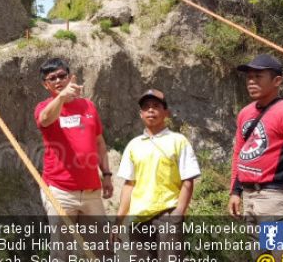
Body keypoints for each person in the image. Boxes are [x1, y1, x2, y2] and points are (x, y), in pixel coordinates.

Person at [228, 54, 283, 256]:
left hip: (276, 196)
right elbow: (240, 154)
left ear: (277, 81)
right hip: (250, 197)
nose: (251, 81)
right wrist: (235, 191)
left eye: (258, 76)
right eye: (249, 77)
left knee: (280, 254)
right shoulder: (245, 113)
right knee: (259, 255)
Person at [34, 58, 112, 258]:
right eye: (53, 78)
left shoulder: (88, 106)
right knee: (62, 252)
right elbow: (45, 119)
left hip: (91, 189)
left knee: (103, 249)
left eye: (62, 75)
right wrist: (60, 98)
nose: (59, 80)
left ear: (70, 77)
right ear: (46, 84)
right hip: (60, 191)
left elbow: (99, 143)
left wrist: (108, 175)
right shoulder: (45, 106)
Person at [113, 89, 200, 261]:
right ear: (140, 114)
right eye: (146, 107)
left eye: (156, 106)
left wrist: (178, 214)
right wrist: (118, 222)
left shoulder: (178, 141)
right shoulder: (133, 145)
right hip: (139, 218)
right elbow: (129, 185)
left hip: (167, 214)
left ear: (166, 112)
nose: (151, 110)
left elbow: (188, 181)